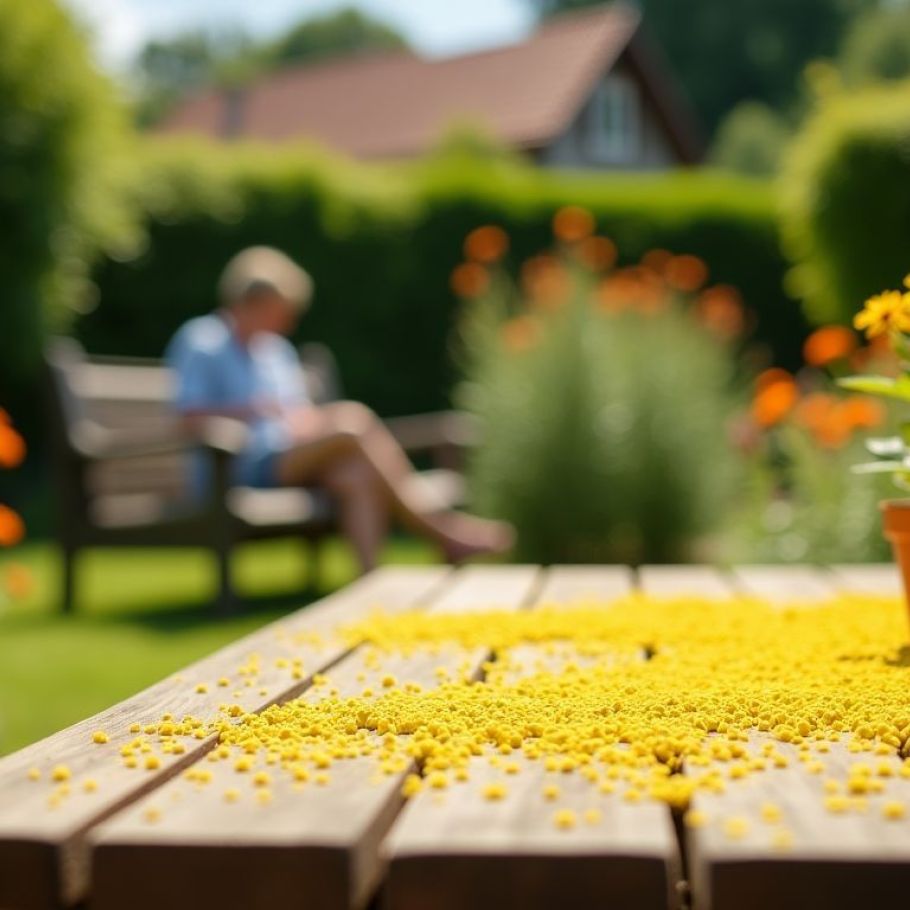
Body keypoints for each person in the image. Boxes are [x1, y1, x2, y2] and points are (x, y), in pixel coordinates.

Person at [165, 246, 514, 572]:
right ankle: (443, 531)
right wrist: (251, 410)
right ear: (253, 301)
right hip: (236, 465)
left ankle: (371, 583)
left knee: (355, 475)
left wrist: (305, 422)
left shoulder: (275, 351)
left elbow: (296, 414)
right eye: (281, 311)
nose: (288, 323)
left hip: (289, 457)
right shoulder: (204, 341)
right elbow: (187, 417)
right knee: (351, 422)